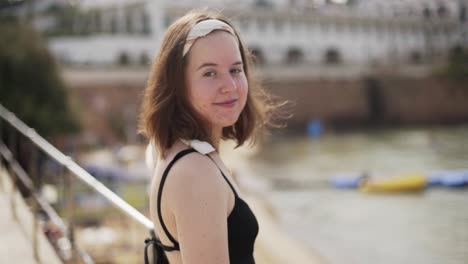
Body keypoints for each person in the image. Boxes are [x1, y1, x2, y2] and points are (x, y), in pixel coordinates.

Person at [138, 8, 279, 264]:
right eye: (209, 73)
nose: (230, 86)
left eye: (236, 70)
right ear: (177, 84)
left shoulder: (176, 149)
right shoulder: (195, 172)